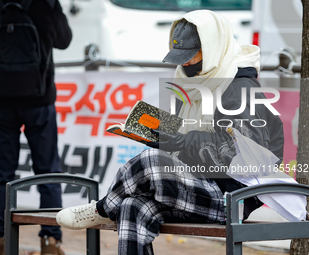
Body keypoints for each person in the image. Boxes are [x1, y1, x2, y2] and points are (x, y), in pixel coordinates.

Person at [56, 10, 284, 255]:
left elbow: (243, 155)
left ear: (212, 47)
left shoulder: (239, 89)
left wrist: (181, 141)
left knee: (151, 163)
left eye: (190, 56)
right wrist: (163, 135)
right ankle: (111, 207)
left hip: (231, 197)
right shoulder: (195, 81)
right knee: (133, 206)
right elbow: (190, 136)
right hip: (197, 184)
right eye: (180, 57)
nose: (184, 63)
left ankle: (101, 209)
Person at [0, 0, 72, 254]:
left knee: (2, 173)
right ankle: (50, 239)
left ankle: (3, 240)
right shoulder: (45, 3)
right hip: (39, 100)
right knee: (47, 170)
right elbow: (64, 40)